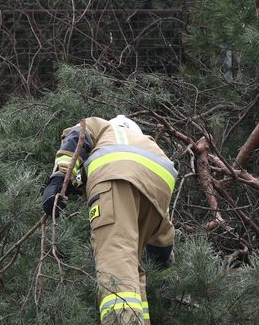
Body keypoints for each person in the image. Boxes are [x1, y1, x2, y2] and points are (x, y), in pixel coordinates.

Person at [41, 115, 176, 325]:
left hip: (115, 178)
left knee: (116, 258)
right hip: (158, 191)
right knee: (131, 265)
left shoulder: (103, 126)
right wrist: (162, 255)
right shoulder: (149, 144)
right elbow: (163, 232)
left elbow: (78, 136)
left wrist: (59, 179)